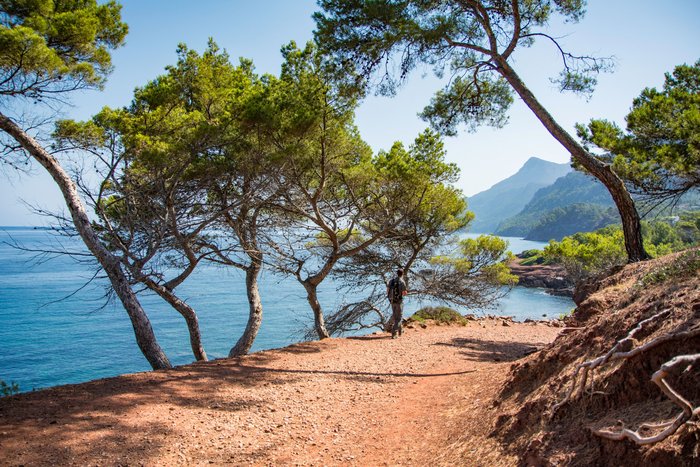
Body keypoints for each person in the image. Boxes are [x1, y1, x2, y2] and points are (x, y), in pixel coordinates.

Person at [387, 268, 408, 339]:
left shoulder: (391, 281)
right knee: (399, 318)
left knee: (396, 316)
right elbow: (404, 293)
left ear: (397, 273)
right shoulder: (402, 282)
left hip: (392, 301)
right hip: (399, 301)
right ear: (402, 274)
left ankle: (400, 331)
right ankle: (394, 332)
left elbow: (387, 291)